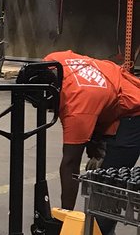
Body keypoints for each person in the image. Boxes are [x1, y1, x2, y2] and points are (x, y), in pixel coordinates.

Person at [44, 50, 140, 212]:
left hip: (134, 112)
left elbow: (70, 164)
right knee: (100, 173)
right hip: (111, 96)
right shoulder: (53, 60)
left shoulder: (77, 108)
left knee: (107, 187)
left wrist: (65, 218)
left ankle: (103, 233)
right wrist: (94, 142)